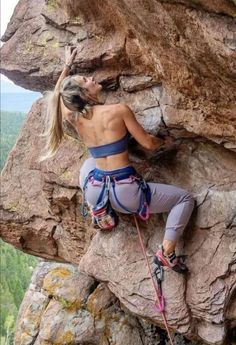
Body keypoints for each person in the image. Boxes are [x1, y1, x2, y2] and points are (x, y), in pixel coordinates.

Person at [39, 47, 195, 274]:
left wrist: (67, 68)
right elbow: (148, 143)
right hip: (127, 194)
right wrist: (166, 141)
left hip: (96, 190)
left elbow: (57, 98)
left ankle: (100, 211)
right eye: (87, 80)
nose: (92, 78)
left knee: (88, 165)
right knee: (185, 199)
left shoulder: (74, 117)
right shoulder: (119, 110)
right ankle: (166, 252)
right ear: (83, 93)